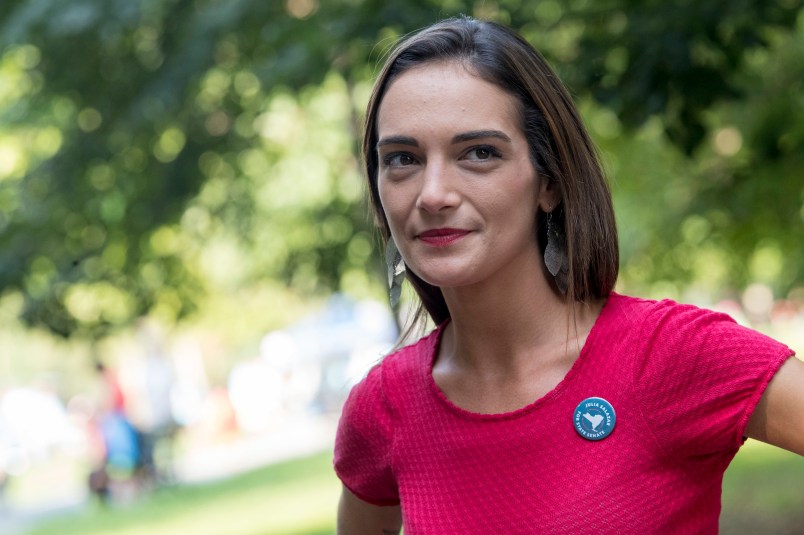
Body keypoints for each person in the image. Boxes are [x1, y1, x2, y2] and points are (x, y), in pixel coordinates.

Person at [332, 15, 804, 534]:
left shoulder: (669, 355)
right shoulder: (383, 408)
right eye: (402, 159)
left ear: (548, 183)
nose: (433, 193)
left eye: (479, 153)